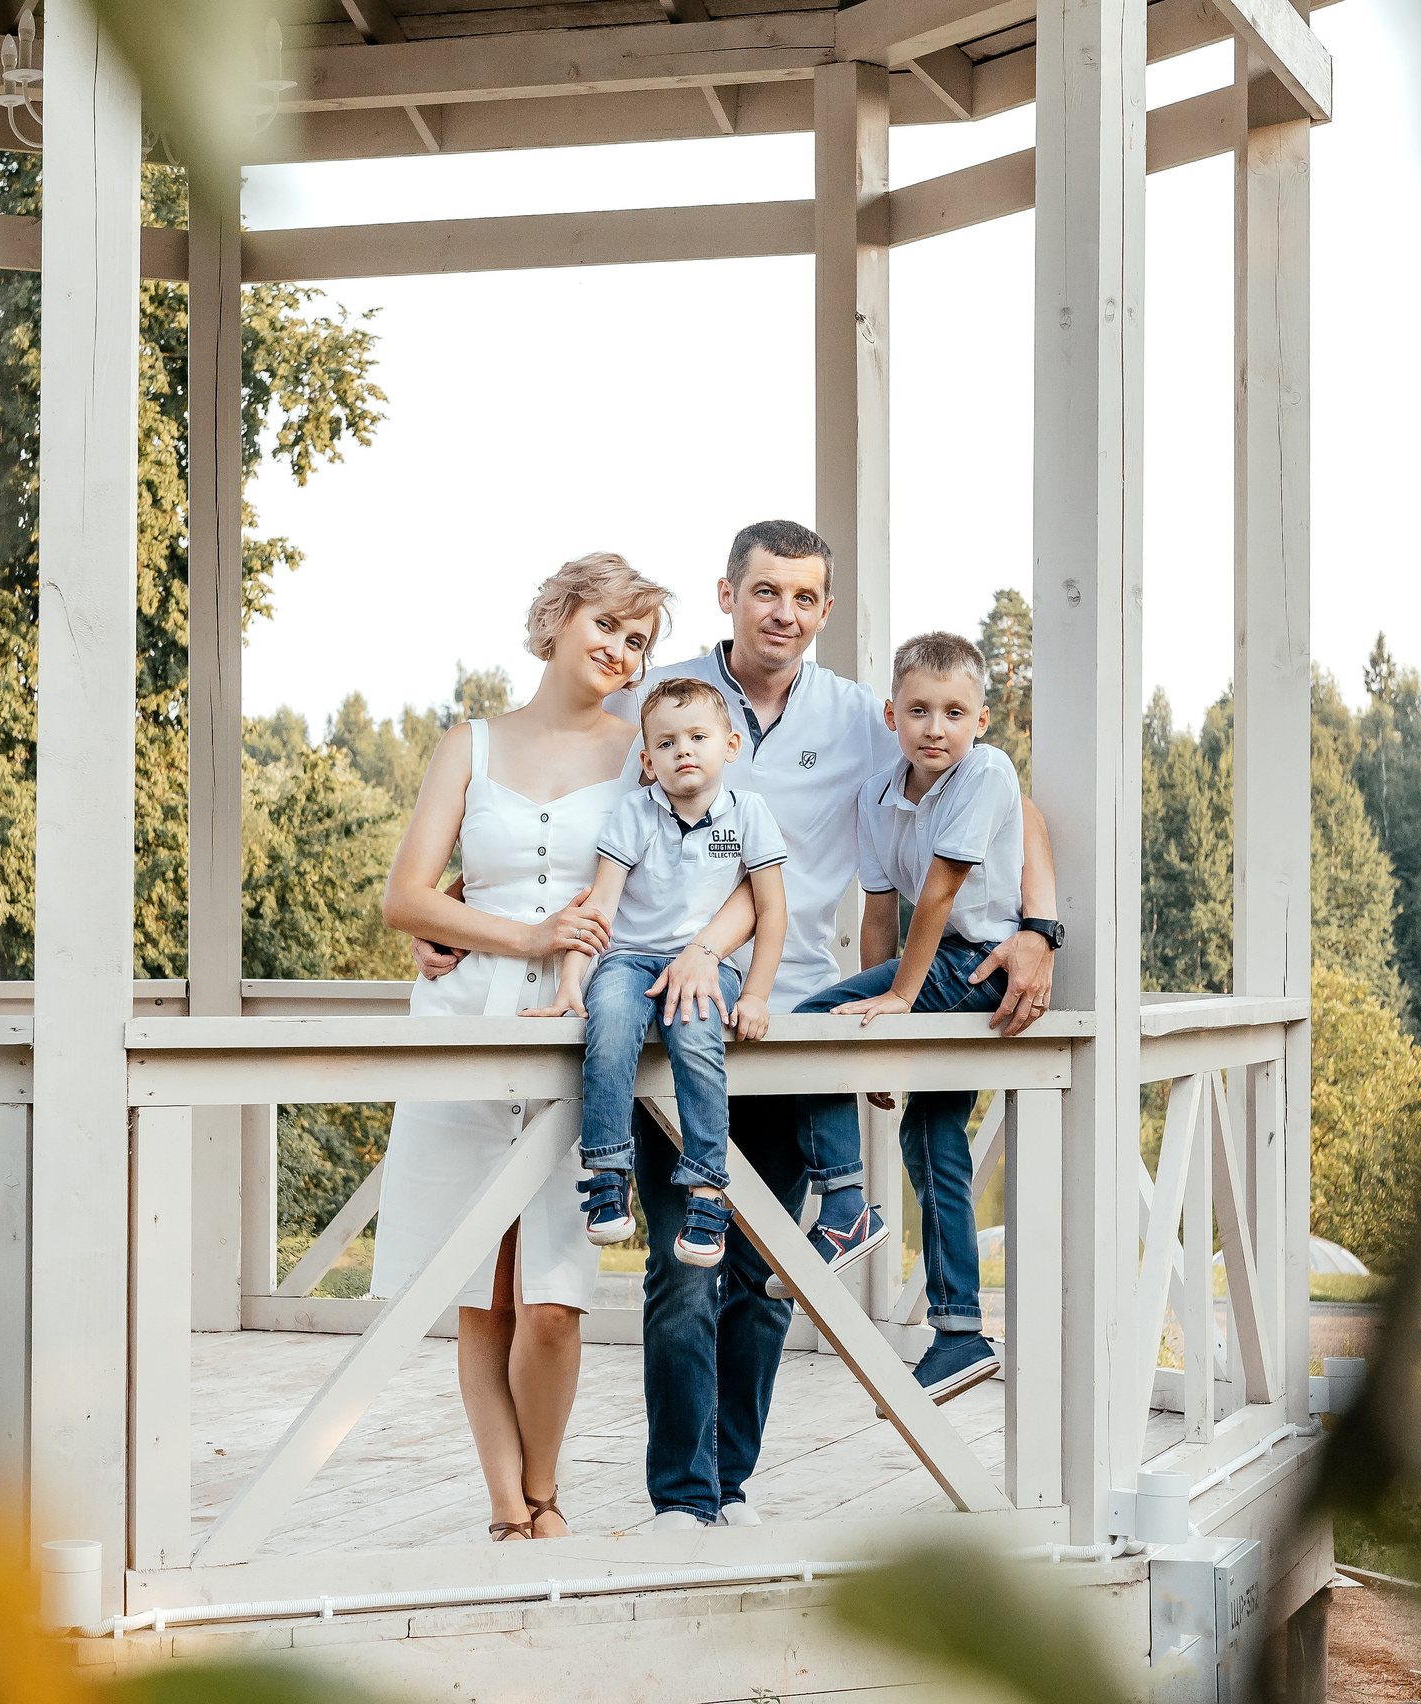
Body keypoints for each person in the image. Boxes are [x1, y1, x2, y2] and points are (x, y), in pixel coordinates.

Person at [553, 518, 1060, 1532]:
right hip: (669, 1020)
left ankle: (728, 1485)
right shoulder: (666, 701)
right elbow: (566, 810)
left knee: (764, 1277)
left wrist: (1040, 928)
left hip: (793, 1024)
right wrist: (469, 912)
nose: (783, 611)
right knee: (679, 1270)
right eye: (764, 591)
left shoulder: (865, 717)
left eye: (803, 596)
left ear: (824, 610)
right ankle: (678, 1499)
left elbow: (992, 785)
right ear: (727, 595)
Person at [375, 552, 672, 1543]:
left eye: (638, 641)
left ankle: (544, 1491)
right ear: (557, 617)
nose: (620, 651)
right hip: (464, 1015)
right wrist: (507, 931)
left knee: (551, 1293)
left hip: (579, 1020)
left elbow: (680, 872)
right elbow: (404, 897)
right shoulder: (472, 743)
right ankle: (511, 1509)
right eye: (607, 625)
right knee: (479, 1285)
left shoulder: (643, 751)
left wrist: (575, 943)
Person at [788, 631, 1039, 1405]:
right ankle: (960, 1332)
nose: (936, 727)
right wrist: (886, 1032)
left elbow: (938, 893)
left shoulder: (986, 774)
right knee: (931, 1141)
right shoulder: (876, 795)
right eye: (920, 710)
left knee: (809, 1024)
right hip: (928, 966)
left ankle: (843, 1202)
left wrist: (897, 1000)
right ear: (891, 715)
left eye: (954, 712)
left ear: (982, 720)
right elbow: (880, 914)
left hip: (977, 966)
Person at [525, 675, 790, 1270]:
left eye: (698, 736)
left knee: (697, 1037)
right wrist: (572, 983)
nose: (683, 751)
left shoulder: (749, 814)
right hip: (629, 958)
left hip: (705, 965)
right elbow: (601, 907)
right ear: (648, 761)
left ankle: (706, 1189)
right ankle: (607, 1173)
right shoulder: (634, 815)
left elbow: (772, 911)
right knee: (611, 1024)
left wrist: (757, 995)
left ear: (731, 745)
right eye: (667, 743)